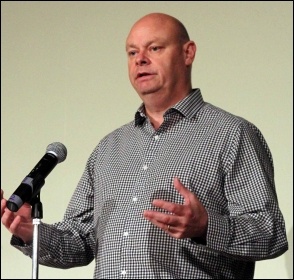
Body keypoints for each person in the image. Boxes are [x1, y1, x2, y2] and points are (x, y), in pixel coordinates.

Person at [1, 12, 288, 279]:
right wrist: (30, 232)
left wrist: (207, 228)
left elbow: (270, 233)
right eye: (132, 52)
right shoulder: (109, 148)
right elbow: (80, 240)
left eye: (154, 48)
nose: (140, 59)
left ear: (188, 53)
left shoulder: (232, 134)